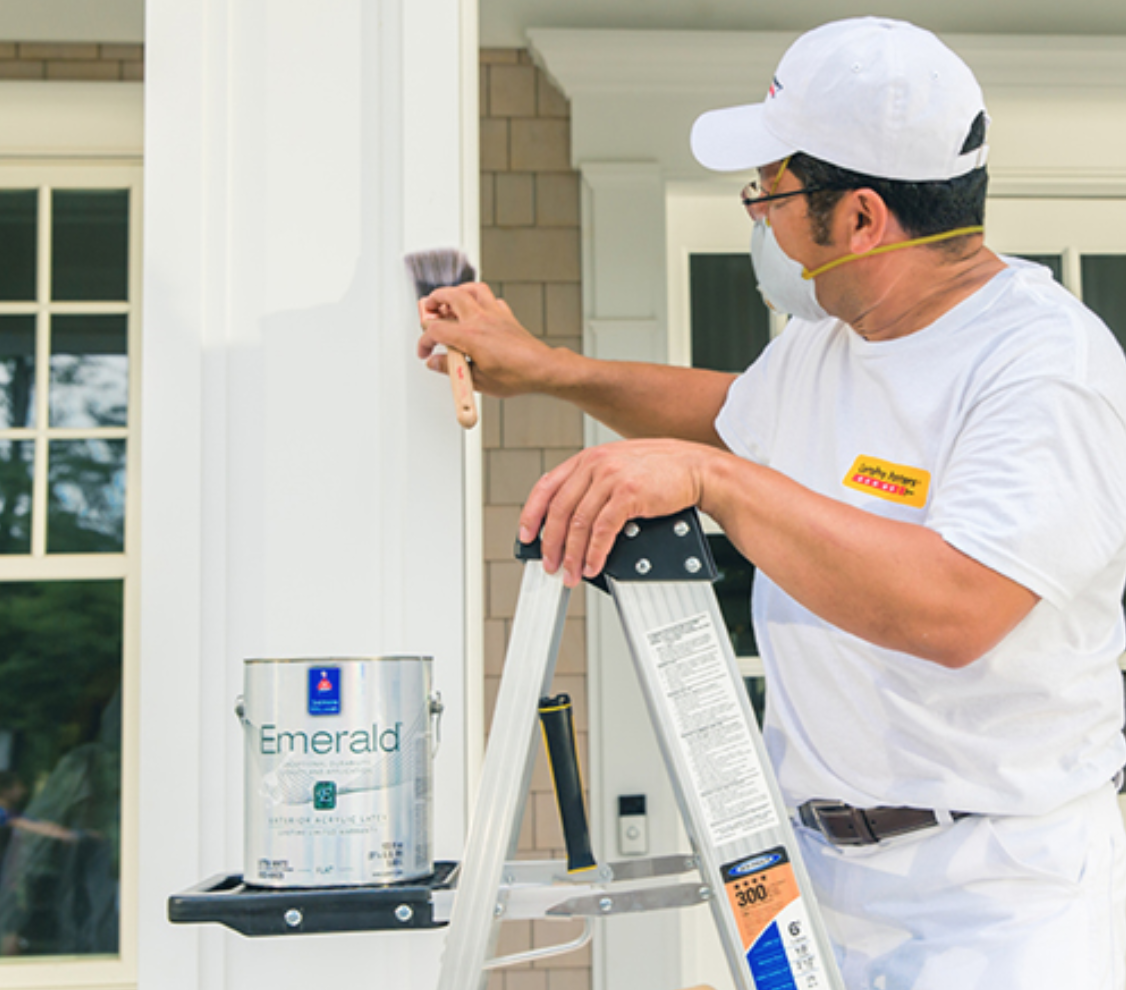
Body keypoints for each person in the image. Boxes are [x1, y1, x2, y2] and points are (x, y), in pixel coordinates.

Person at [418, 17, 1126, 989]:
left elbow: (956, 606)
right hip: (816, 878)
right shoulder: (826, 343)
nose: (757, 216)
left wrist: (710, 482)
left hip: (993, 897)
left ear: (863, 217)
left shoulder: (1043, 366)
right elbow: (730, 418)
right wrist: (549, 369)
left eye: (774, 191)